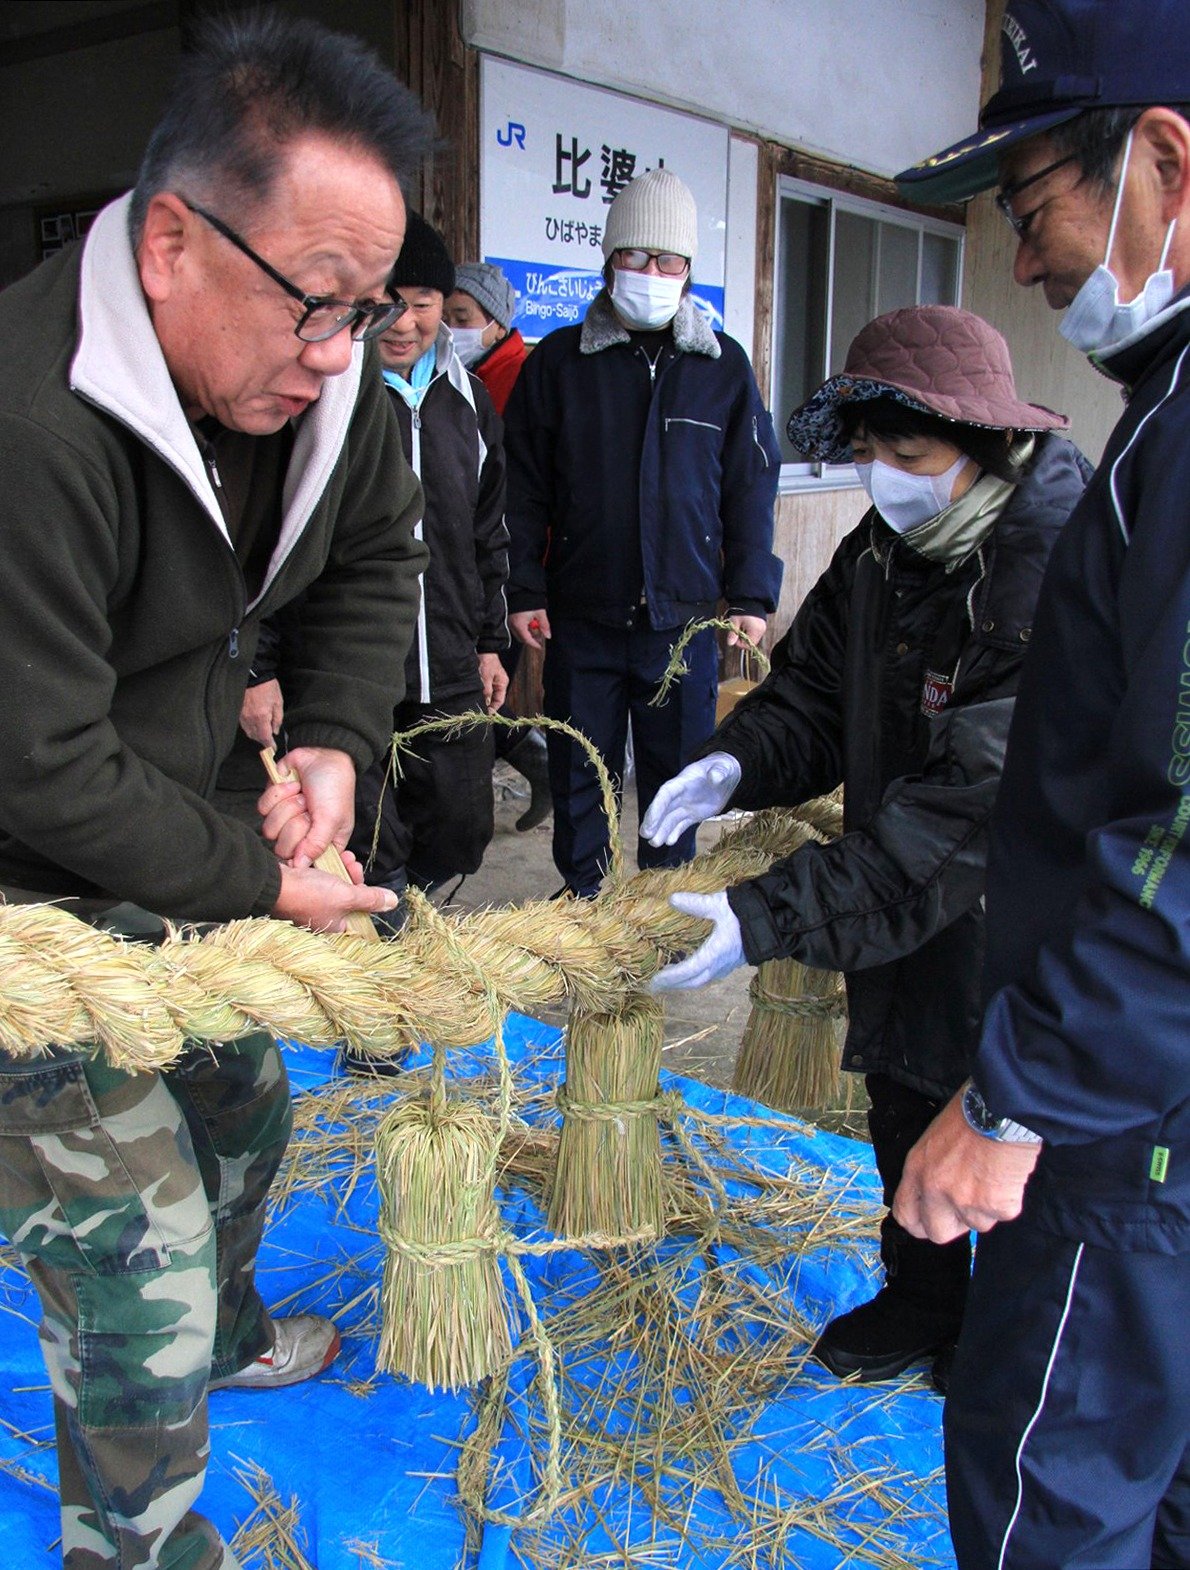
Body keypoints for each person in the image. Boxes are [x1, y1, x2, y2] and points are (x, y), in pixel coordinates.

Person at [0, 13, 432, 1567]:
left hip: (155, 833)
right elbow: (37, 762)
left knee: (242, 1096)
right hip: (15, 884)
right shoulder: (30, 419)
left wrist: (331, 738)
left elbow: (377, 558)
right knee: (137, 1238)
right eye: (315, 307)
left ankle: (230, 1327)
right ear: (172, 240)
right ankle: (136, 1542)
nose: (336, 356)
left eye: (366, 313)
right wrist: (260, 882)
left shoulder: (323, 391)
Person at [643, 305, 1089, 1394]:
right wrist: (736, 761)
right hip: (904, 896)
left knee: (1014, 1139)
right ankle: (922, 1301)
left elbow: (954, 820)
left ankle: (1022, 1342)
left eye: (909, 452)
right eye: (866, 451)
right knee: (902, 1087)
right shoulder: (888, 546)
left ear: (983, 446)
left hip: (1030, 919)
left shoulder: (1049, 576)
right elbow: (808, 686)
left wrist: (766, 916)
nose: (881, 475)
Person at [888, 3, 1190, 1566]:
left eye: (1032, 211)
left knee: (1045, 1493)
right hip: (1147, 1085)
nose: (1025, 264)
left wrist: (1019, 1096)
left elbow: (1179, 832)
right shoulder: (1163, 420)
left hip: (1124, 1123)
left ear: (1161, 159)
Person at [503, 167, 782, 897]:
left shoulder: (722, 368)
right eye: (636, 256)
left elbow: (751, 486)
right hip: (582, 617)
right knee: (579, 773)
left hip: (681, 625)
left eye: (669, 261)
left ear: (688, 272)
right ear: (609, 261)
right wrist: (521, 586)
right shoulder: (560, 364)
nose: (651, 273)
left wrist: (750, 595)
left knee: (675, 779)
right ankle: (586, 906)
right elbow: (522, 487)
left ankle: (661, 910)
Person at [344, 213, 510, 903]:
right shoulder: (329, 393)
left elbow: (489, 530)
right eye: (388, 301)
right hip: (354, 660)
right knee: (366, 831)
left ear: (444, 306)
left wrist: (490, 643)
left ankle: (413, 914)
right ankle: (387, 946)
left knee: (461, 824)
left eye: (423, 303)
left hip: (447, 653)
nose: (404, 322)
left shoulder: (468, 400)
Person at [444, 261, 550, 831]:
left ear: (495, 323)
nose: (449, 328)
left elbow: (519, 485)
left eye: (462, 318)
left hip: (498, 558)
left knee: (481, 682)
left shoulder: (515, 378)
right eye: (446, 316)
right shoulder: (457, 374)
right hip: (461, 555)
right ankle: (536, 761)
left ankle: (529, 763)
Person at [445, 261, 528, 415]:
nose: (450, 330)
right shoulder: (442, 371)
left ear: (499, 327)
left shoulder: (521, 379)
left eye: (462, 320)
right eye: (443, 321)